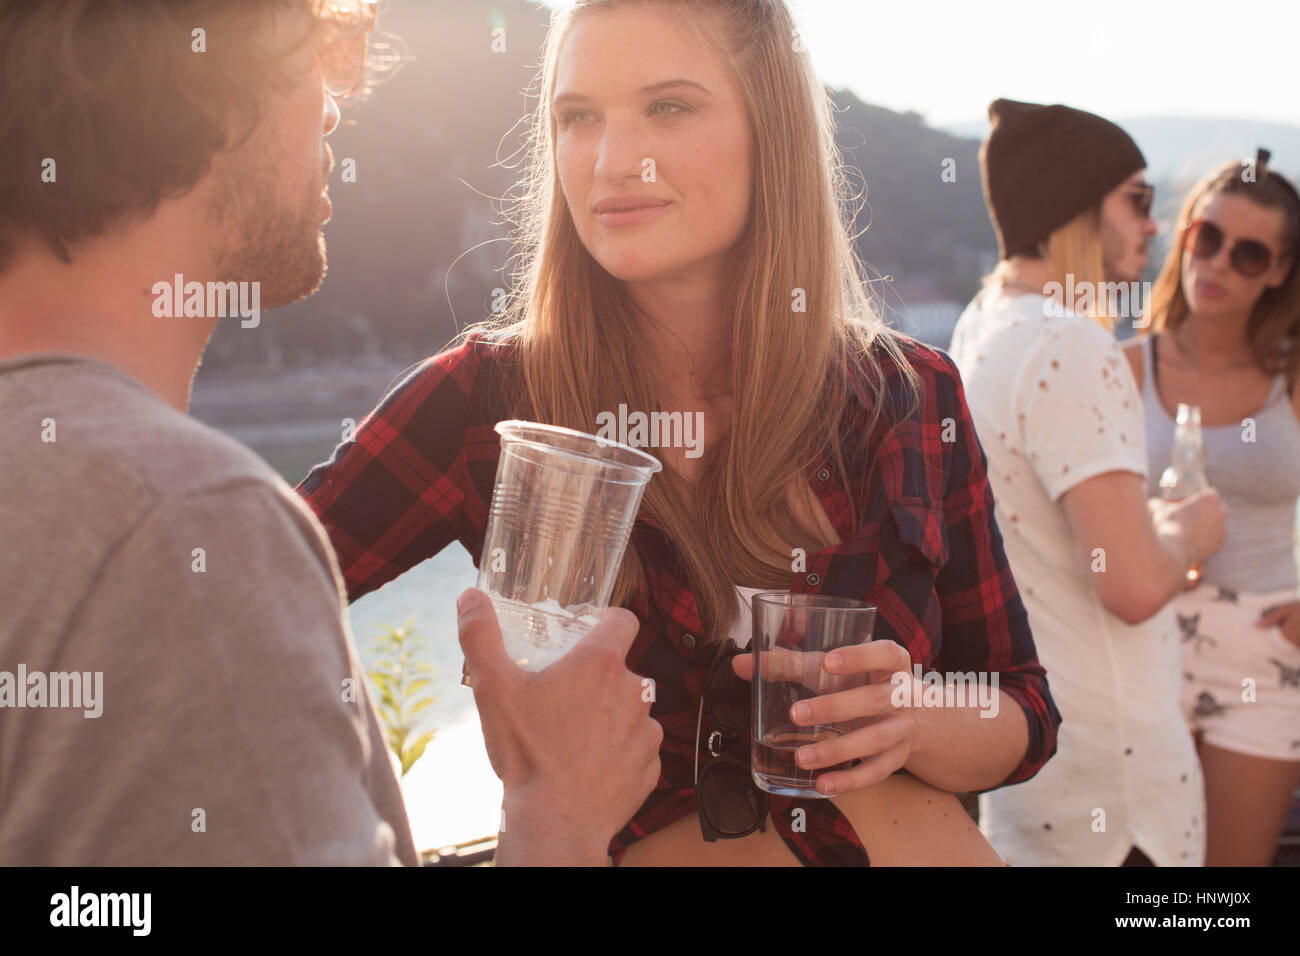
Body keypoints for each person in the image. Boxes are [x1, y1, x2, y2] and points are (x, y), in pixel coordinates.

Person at [298, 0, 1060, 866]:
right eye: (578, 117)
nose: (614, 160)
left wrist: (912, 718)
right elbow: (221, 605)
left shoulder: (910, 394)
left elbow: (1022, 710)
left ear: (769, 132)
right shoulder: (489, 397)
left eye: (668, 107)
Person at [0, 0, 659, 866]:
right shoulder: (182, 524)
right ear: (201, 89)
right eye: (315, 57)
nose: (335, 106)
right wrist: (558, 815)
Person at [950, 99, 1227, 866]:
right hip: (1118, 785)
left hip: (1033, 760)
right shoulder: (1072, 345)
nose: (1153, 225)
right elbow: (1132, 586)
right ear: (1074, 206)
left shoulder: (986, 323)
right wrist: (1186, 534)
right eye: (1136, 201)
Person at [1120, 149, 1300, 866]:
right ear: (1185, 234)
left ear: (1281, 271)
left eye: (1250, 254)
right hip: (1141, 649)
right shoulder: (1124, 366)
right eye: (1208, 237)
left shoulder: (1293, 376)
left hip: (1264, 651)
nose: (1221, 263)